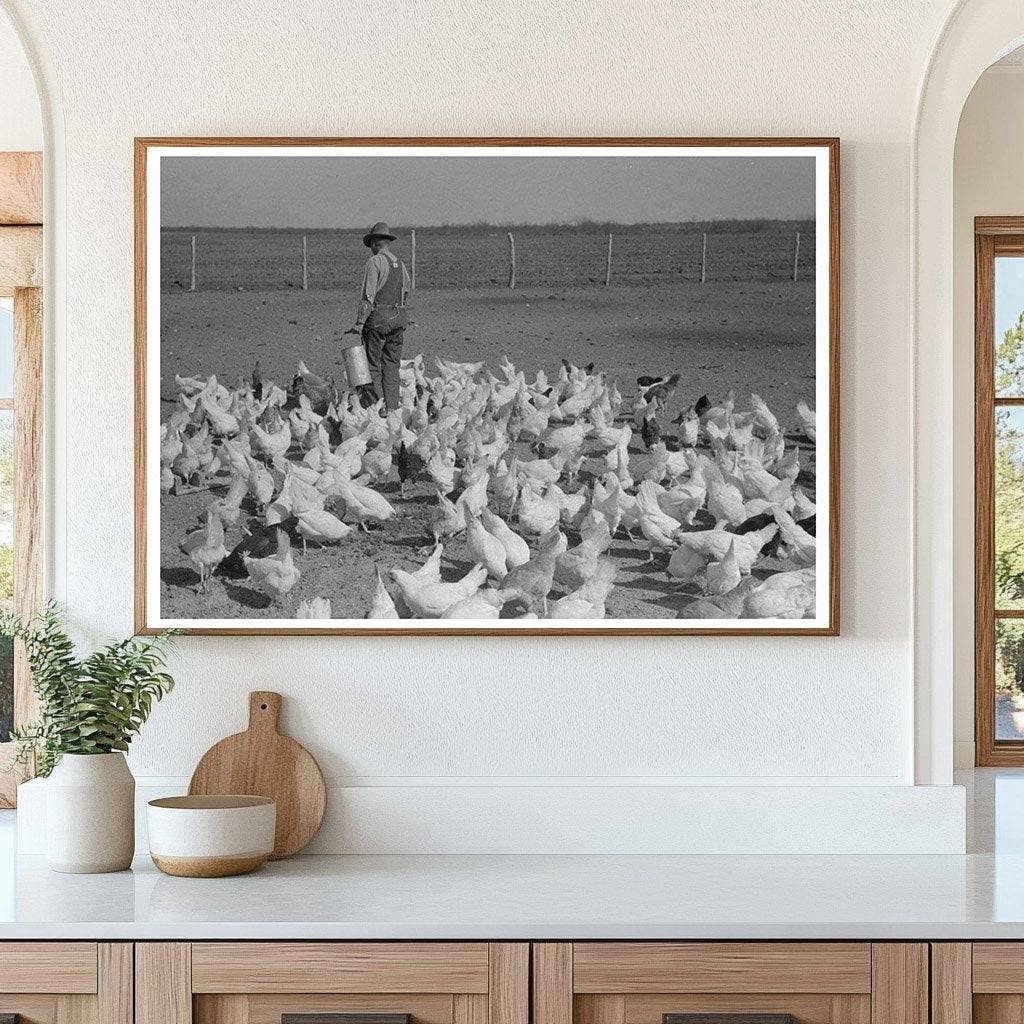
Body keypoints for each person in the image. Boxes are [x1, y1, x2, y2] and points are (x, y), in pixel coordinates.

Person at [349, 221, 410, 411]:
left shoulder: (375, 262)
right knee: (392, 364)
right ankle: (392, 407)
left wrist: (360, 323)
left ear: (375, 243)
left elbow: (369, 295)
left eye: (371, 245)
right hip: (399, 318)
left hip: (378, 320)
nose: (370, 249)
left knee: (372, 365)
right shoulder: (400, 264)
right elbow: (406, 290)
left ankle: (378, 408)